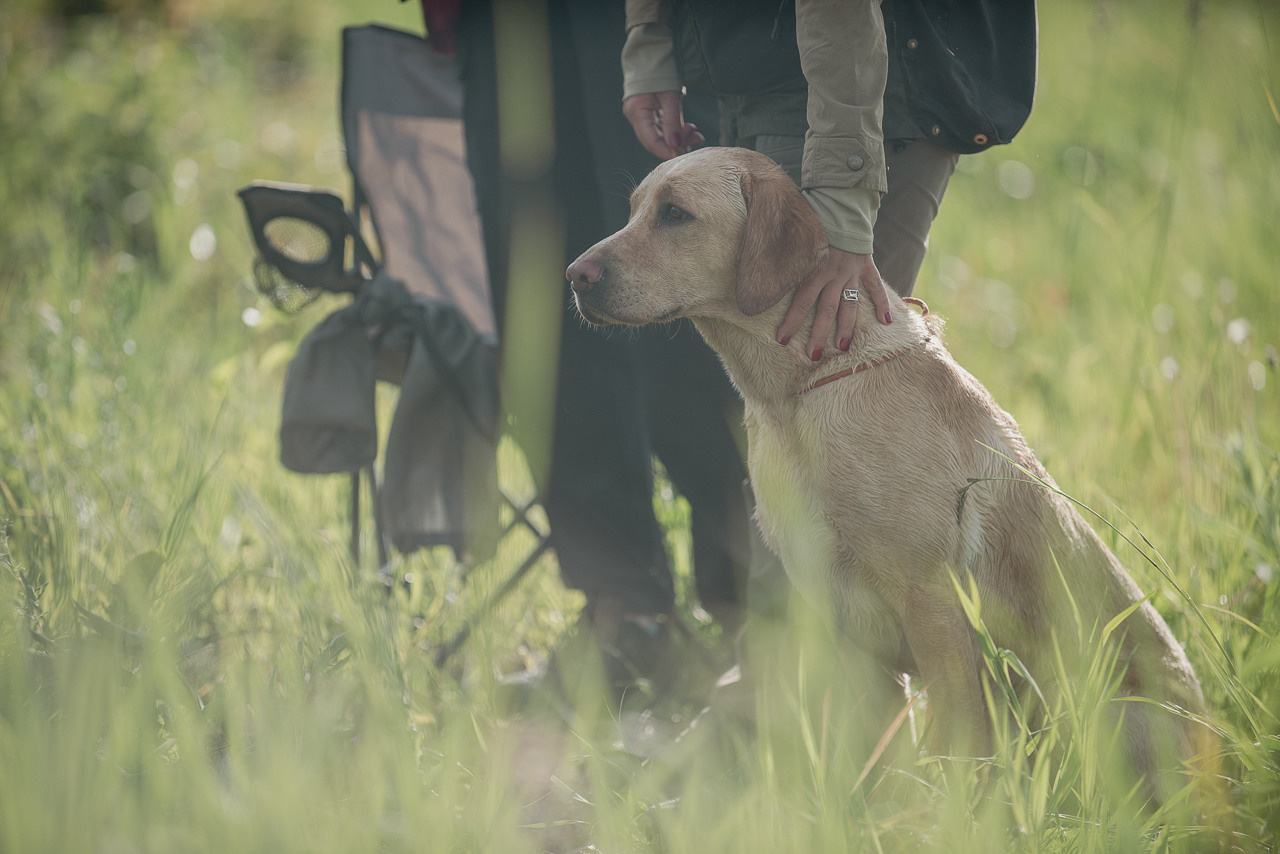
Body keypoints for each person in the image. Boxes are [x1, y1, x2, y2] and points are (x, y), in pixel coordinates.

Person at [448, 0, 755, 698]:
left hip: (637, 18)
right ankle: (626, 616)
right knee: (543, 318)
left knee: (681, 283)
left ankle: (762, 613)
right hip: (499, 23)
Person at [619, 0, 1037, 351]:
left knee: (850, 375)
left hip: (863, 92)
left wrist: (843, 201)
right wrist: (649, 38)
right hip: (741, 61)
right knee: (783, 396)